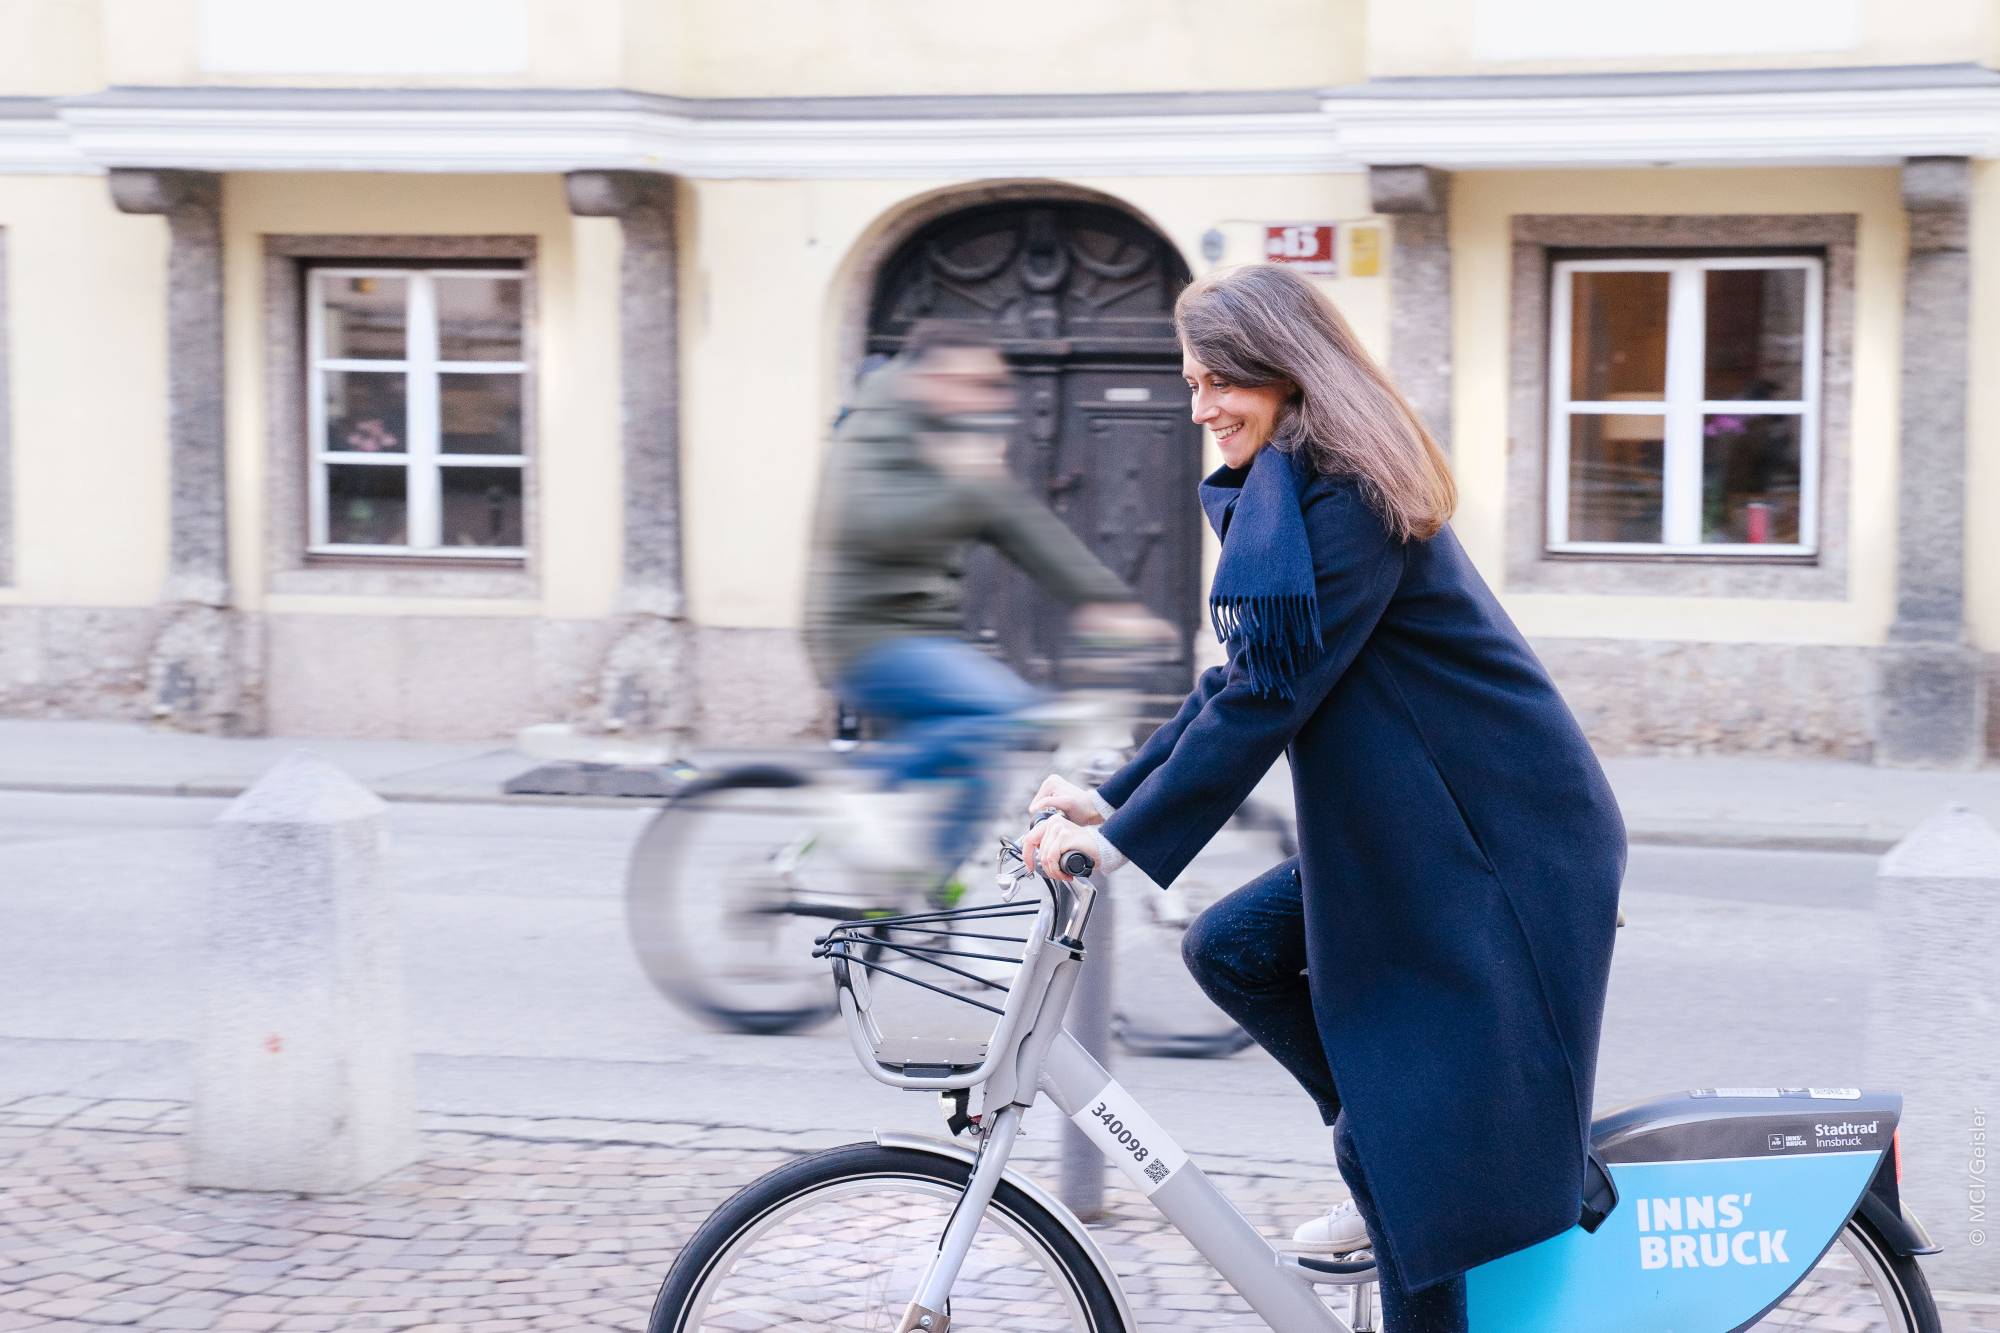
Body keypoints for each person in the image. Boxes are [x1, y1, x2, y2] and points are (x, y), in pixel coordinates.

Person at [1021, 265, 1625, 1333]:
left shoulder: (1346, 495)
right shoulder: (1291, 490)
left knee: (1407, 1161)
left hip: (1497, 840)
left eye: (1217, 381)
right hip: (1420, 835)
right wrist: (1112, 801)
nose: (1199, 407)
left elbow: (1266, 695)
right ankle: (1399, 1151)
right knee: (1231, 949)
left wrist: (1118, 852)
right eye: (1190, 383)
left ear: (1282, 372)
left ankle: (1411, 1162)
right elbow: (1240, 674)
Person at [803, 320, 1164, 880]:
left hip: (921, 632)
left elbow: (1021, 525)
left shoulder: (943, 434)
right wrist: (961, 481)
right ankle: (863, 789)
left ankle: (922, 886)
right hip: (865, 636)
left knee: (975, 760)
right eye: (975, 384)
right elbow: (872, 525)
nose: (988, 399)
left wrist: (1109, 602)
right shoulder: (877, 422)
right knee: (1001, 711)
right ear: (932, 378)